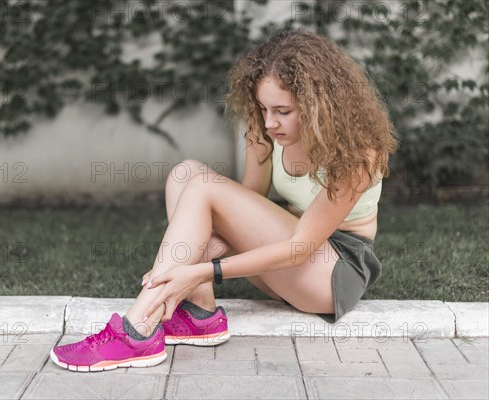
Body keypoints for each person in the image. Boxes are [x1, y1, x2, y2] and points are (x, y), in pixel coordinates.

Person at [50, 29, 399, 372]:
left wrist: (199, 269)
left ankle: (136, 330)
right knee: (186, 175)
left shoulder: (360, 154)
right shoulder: (265, 130)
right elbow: (243, 205)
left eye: (283, 111)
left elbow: (300, 247)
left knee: (203, 186)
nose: (269, 122)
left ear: (319, 104)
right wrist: (185, 261)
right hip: (286, 264)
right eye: (263, 108)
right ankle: (200, 314)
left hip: (331, 272)